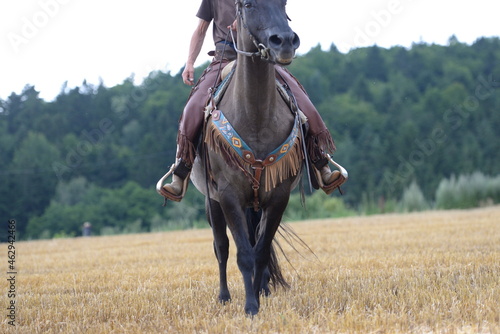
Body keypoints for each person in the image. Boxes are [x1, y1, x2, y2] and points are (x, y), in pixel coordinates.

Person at [160, 0, 341, 201]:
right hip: (224, 60)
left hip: (263, 61)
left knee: (302, 101)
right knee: (193, 107)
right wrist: (190, 63)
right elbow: (201, 28)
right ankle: (181, 170)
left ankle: (320, 163)